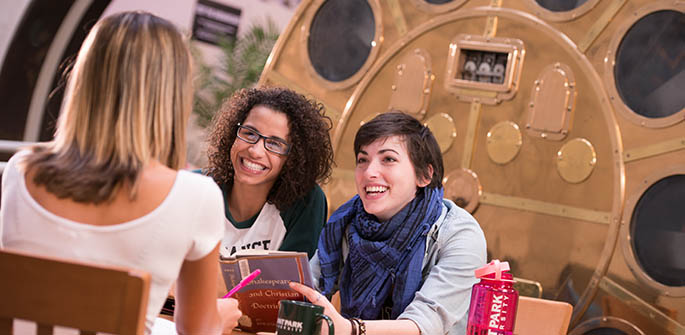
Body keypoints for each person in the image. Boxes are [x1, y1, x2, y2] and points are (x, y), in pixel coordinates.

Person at [0, 12, 241, 334]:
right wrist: (219, 318)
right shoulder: (196, 196)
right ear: (171, 96)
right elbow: (195, 330)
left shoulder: (21, 170)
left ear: (85, 81)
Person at [290, 112, 487, 335]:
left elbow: (426, 324)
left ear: (424, 176)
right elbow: (308, 291)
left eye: (388, 159)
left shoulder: (459, 233)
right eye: (362, 160)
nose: (370, 172)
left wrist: (349, 329)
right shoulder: (346, 223)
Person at [203, 87, 334, 259]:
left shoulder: (305, 202)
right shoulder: (198, 187)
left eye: (274, 144)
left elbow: (291, 283)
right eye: (249, 133)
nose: (255, 151)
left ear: (293, 157)